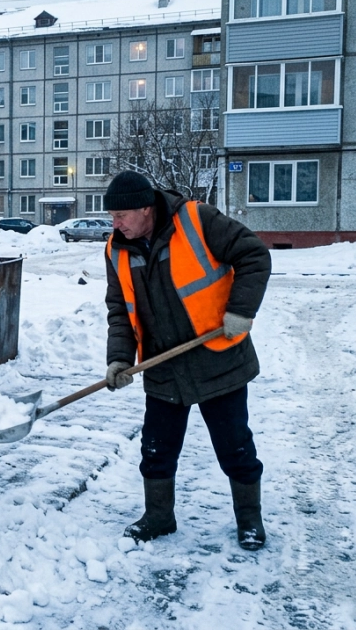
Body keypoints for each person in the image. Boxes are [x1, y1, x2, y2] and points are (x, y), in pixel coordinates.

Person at [101, 171, 272, 551]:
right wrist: (118, 359)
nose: (115, 224)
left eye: (121, 216)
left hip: (218, 357)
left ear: (146, 208)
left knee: (235, 446)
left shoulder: (198, 221)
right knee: (156, 449)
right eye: (112, 216)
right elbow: (120, 310)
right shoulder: (117, 250)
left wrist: (241, 310)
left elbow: (254, 255)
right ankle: (159, 516)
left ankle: (249, 520)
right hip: (163, 364)